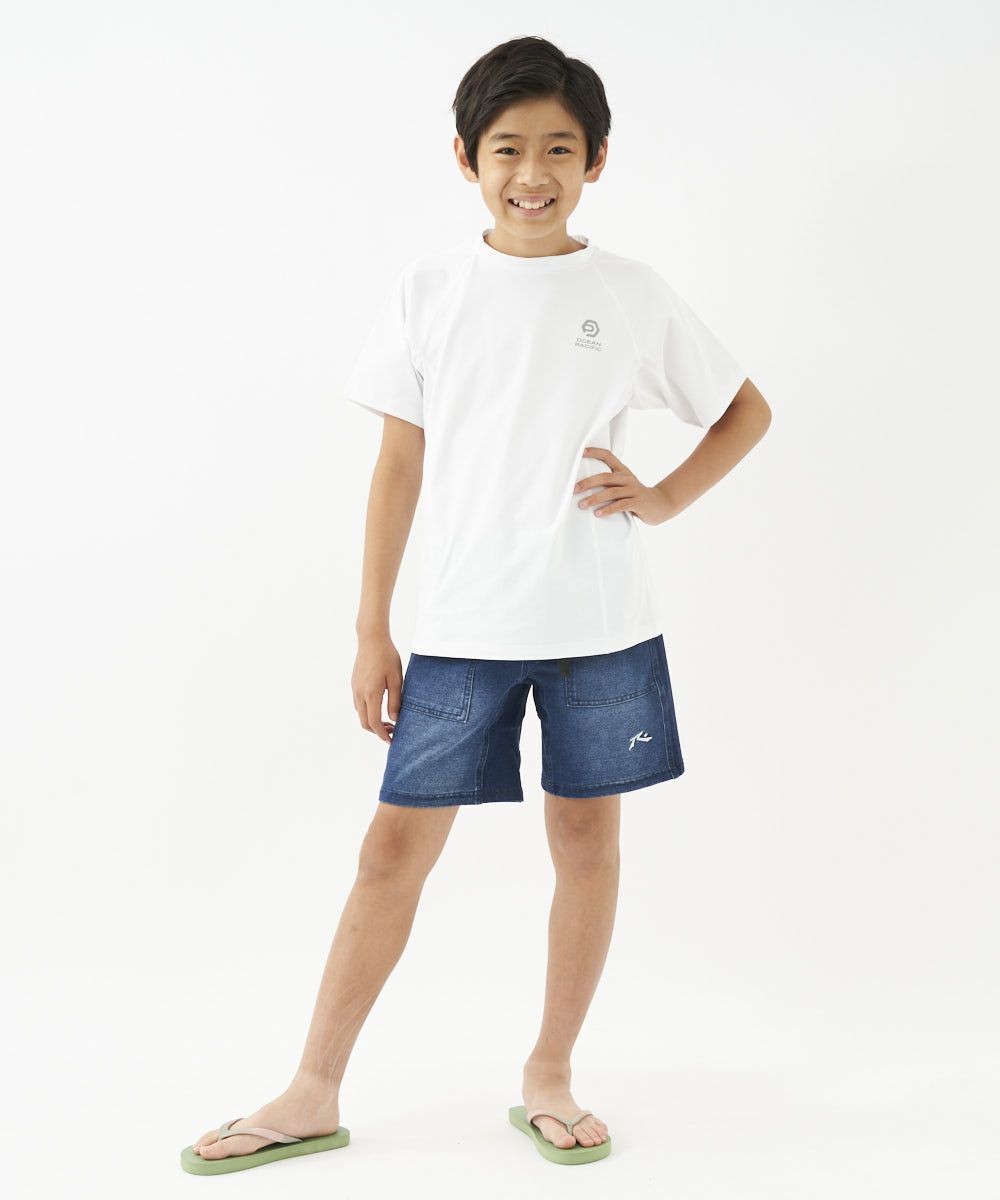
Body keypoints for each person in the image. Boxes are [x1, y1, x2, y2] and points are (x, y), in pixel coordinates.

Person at [181, 34, 771, 1175]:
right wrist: (371, 627)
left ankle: (550, 1072)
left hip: (601, 626)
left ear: (597, 159)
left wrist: (662, 498)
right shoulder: (430, 289)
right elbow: (397, 465)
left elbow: (744, 409)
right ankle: (312, 1088)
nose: (532, 172)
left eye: (559, 148)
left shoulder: (629, 292)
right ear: (466, 158)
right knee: (390, 853)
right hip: (461, 628)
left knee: (586, 841)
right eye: (508, 148)